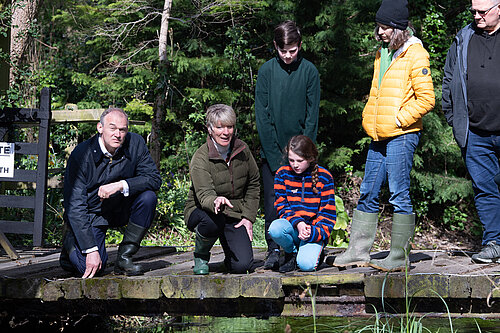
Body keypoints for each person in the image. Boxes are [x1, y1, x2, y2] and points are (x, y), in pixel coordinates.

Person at [332, 0, 435, 272]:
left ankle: (399, 257)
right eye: (378, 27)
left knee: (399, 193)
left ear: (399, 28)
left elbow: (427, 99)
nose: (379, 32)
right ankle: (357, 251)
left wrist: (398, 119)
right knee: (367, 191)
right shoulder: (382, 53)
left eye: (384, 28)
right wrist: (372, 120)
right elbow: (377, 92)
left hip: (402, 135)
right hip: (378, 136)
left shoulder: (416, 54)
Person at [60, 108, 161, 278]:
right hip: (93, 214)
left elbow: (154, 179)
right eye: (112, 128)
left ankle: (124, 258)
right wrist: (90, 249)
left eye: (122, 130)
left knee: (148, 197)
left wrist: (121, 185)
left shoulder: (135, 143)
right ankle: (70, 245)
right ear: (100, 128)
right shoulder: (81, 155)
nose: (118, 134)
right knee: (92, 268)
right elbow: (75, 205)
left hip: (120, 207)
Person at [255, 20, 320, 270]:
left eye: (292, 50)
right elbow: (263, 116)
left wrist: (302, 156)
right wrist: (276, 159)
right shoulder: (266, 71)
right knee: (274, 202)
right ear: (275, 47)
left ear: (299, 45)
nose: (288, 55)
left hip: (304, 153)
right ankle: (273, 249)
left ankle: (297, 249)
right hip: (272, 153)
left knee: (303, 201)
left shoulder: (310, 72)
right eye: (283, 51)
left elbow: (312, 117)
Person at [442, 0, 500, 263]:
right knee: (484, 189)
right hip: (474, 132)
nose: (476, 16)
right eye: (473, 11)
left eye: (482, 11)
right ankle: (494, 243)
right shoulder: (463, 37)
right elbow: (448, 78)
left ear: (498, 8)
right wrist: (454, 118)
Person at [184, 104, 260, 275]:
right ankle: (201, 256)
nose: (226, 132)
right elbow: (204, 195)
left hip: (233, 213)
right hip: (203, 211)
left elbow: (254, 183)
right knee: (213, 220)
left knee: (242, 266)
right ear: (210, 129)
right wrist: (215, 200)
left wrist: (248, 217)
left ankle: (229, 256)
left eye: (230, 126)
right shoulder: (201, 157)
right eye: (220, 127)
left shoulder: (243, 150)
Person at [268, 135, 336, 272]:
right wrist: (298, 223)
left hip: (313, 232)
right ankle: (291, 253)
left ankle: (314, 252)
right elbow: (282, 206)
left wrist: (312, 232)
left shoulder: (324, 177)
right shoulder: (282, 174)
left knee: (306, 265)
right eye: (291, 160)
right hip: (293, 227)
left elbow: (328, 214)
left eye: (300, 160)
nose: (295, 164)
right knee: (274, 229)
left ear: (310, 158)